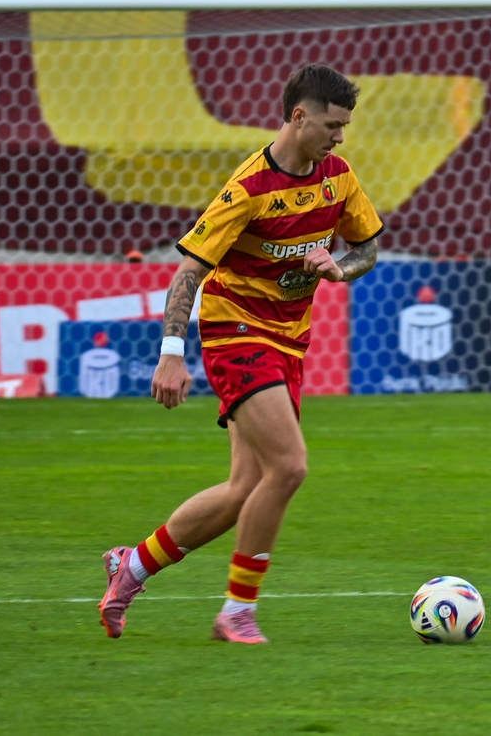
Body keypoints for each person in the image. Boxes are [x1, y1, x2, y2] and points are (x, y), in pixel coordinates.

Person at [98, 64, 383, 642]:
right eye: (332, 125)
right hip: (237, 332)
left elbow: (368, 248)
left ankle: (131, 567)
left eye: (345, 127)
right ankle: (237, 611)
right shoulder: (249, 188)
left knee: (244, 490)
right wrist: (171, 355)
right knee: (290, 466)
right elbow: (189, 271)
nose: (340, 137)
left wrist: (339, 268)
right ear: (298, 116)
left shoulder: (339, 178)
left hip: (289, 339)